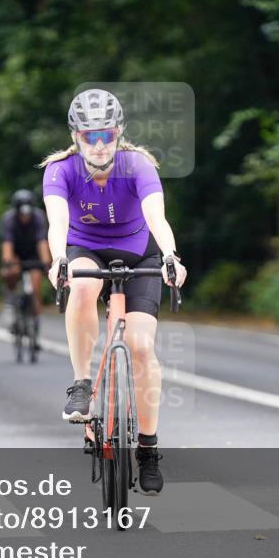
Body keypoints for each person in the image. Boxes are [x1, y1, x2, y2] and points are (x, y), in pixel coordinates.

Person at [41, 88, 187, 496]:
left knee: (141, 347)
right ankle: (82, 384)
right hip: (84, 248)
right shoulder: (60, 170)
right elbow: (57, 223)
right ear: (76, 137)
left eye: (106, 134)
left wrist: (172, 256)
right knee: (83, 282)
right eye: (90, 136)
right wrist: (58, 260)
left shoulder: (137, 164)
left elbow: (157, 217)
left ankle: (148, 448)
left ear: (119, 131)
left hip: (138, 251)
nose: (100, 145)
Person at [0, 189, 51, 338]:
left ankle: (35, 320)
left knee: (35, 285)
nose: (25, 217)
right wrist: (8, 263)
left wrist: (46, 263)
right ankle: (10, 302)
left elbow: (42, 242)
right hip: (16, 253)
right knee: (10, 272)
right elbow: (7, 245)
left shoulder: (39, 217)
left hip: (33, 253)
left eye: (27, 214)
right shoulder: (8, 219)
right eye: (22, 215)